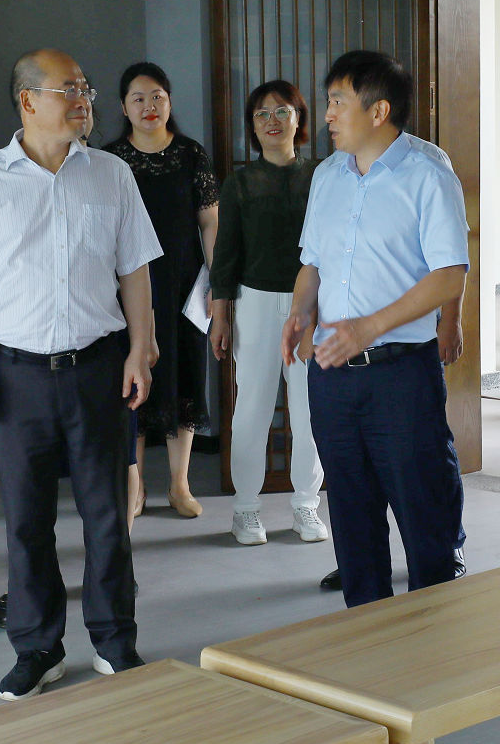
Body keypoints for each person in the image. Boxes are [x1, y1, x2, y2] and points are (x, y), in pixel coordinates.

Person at [0, 48, 161, 701]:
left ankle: (115, 640)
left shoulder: (112, 175)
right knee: (27, 521)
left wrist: (141, 349)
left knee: (107, 515)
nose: (83, 99)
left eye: (85, 88)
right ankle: (37, 648)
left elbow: (135, 270)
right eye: (69, 89)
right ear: (28, 100)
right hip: (16, 375)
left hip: (99, 368)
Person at [280, 50, 469, 608]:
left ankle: (437, 629)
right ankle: (365, 630)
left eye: (338, 102)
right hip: (332, 375)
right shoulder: (327, 176)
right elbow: (313, 262)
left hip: (400, 374)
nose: (327, 115)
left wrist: (370, 327)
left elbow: (449, 276)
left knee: (422, 510)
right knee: (351, 512)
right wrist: (300, 311)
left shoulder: (427, 174)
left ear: (379, 110)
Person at [209, 80, 328, 547]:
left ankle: (306, 505)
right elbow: (225, 255)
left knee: (309, 410)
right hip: (254, 303)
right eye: (262, 114)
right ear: (252, 127)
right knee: (252, 409)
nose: (272, 120)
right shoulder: (240, 182)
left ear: (299, 119)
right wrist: (221, 316)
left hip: (312, 305)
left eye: (282, 111)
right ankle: (245, 509)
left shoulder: (322, 175)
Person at [103, 63, 219, 518]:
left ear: (169, 102)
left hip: (185, 287)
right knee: (131, 383)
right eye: (138, 98)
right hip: (126, 289)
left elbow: (210, 222)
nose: (149, 106)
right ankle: (134, 488)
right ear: (123, 107)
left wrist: (217, 282)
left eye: (157, 97)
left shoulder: (191, 154)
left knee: (186, 378)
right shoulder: (110, 160)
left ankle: (179, 484)